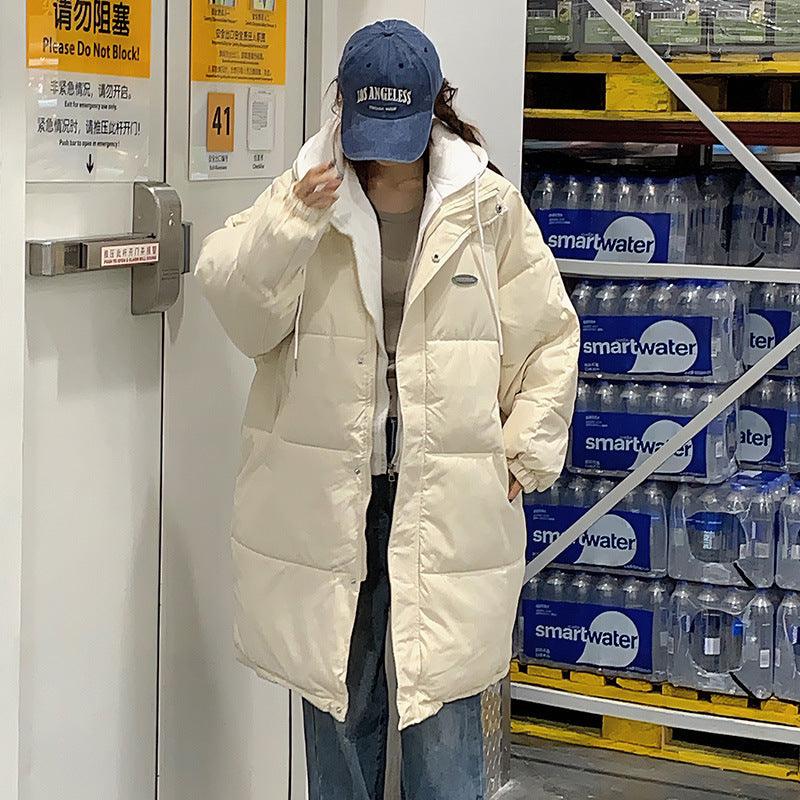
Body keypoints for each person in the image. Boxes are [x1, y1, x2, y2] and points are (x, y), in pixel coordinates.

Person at [196, 19, 579, 800]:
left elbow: (549, 335)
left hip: (448, 496)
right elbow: (239, 310)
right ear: (344, 108)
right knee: (339, 715)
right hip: (331, 497)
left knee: (444, 725)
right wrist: (290, 223)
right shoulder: (308, 190)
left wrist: (526, 449)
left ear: (434, 109)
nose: (386, 155)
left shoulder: (485, 205)